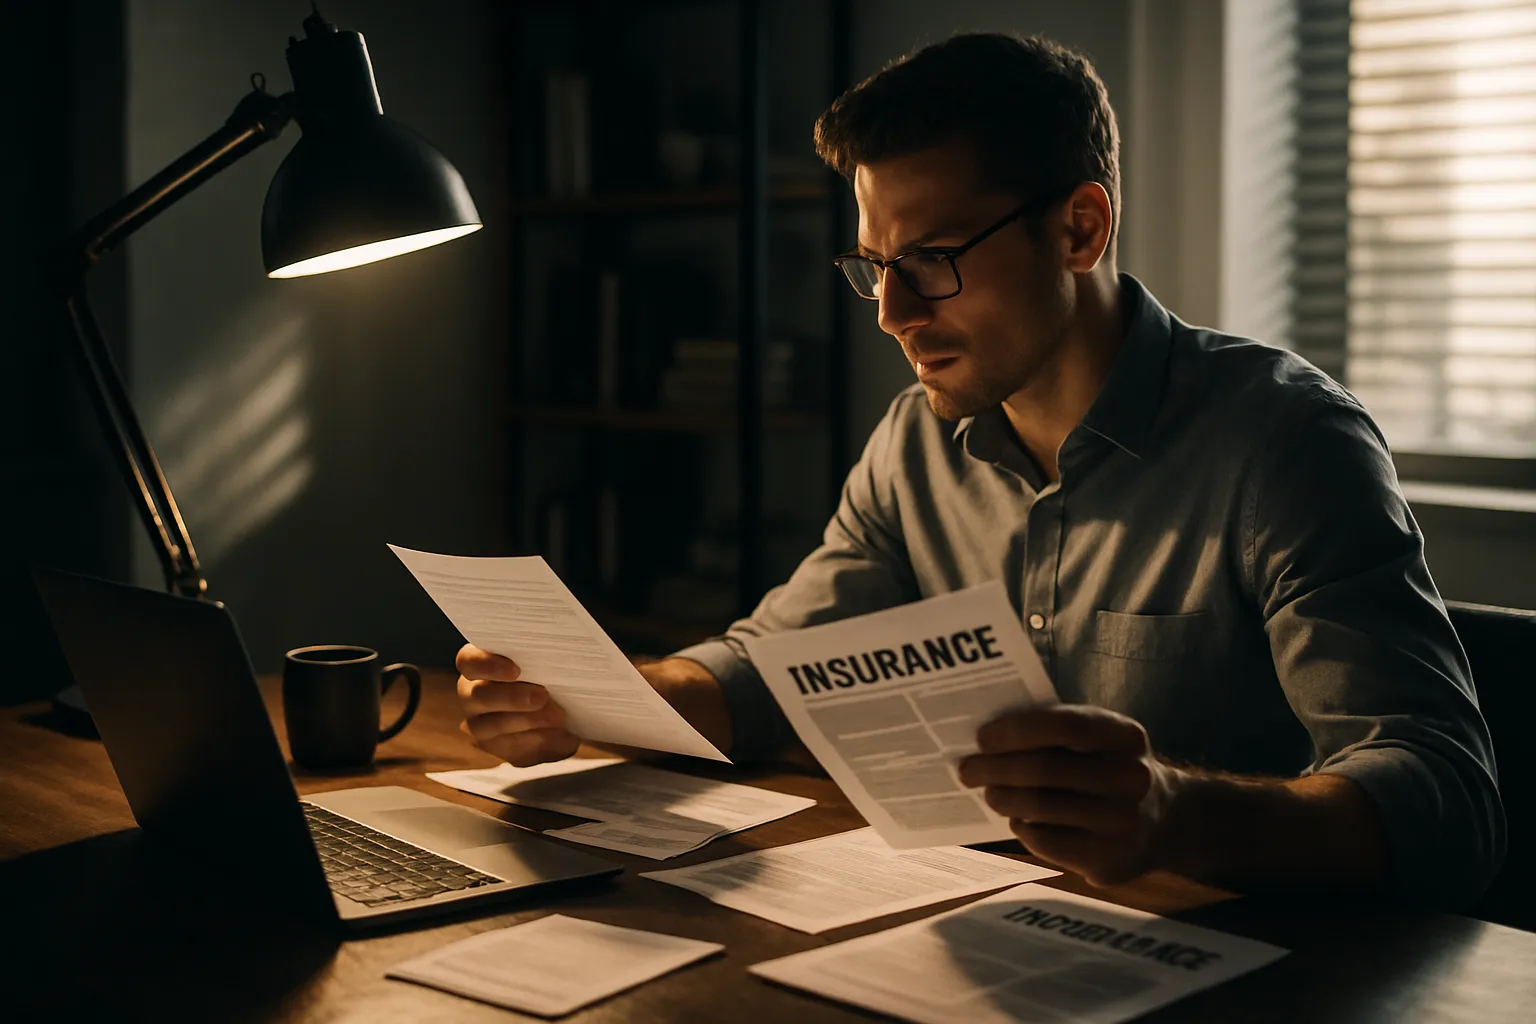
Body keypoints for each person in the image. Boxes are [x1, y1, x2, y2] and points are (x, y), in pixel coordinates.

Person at [457, 32, 1503, 909]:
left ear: (1079, 228)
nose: (893, 313)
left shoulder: (1286, 441)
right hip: (986, 933)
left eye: (934, 259)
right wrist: (587, 702)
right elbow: (767, 667)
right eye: (875, 265)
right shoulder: (913, 442)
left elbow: (1448, 798)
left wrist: (1172, 810)